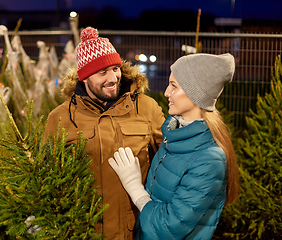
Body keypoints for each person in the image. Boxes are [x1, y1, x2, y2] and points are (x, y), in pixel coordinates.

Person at [44, 27, 165, 239]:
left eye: (115, 69)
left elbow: (170, 159)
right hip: (83, 231)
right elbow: (45, 174)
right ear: (84, 77)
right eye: (102, 72)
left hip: (135, 230)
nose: (113, 78)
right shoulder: (60, 118)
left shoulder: (147, 108)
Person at [109, 53, 240, 239]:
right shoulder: (174, 136)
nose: (166, 93)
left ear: (196, 95)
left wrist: (135, 188)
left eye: (174, 86)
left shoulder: (209, 160)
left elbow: (169, 228)